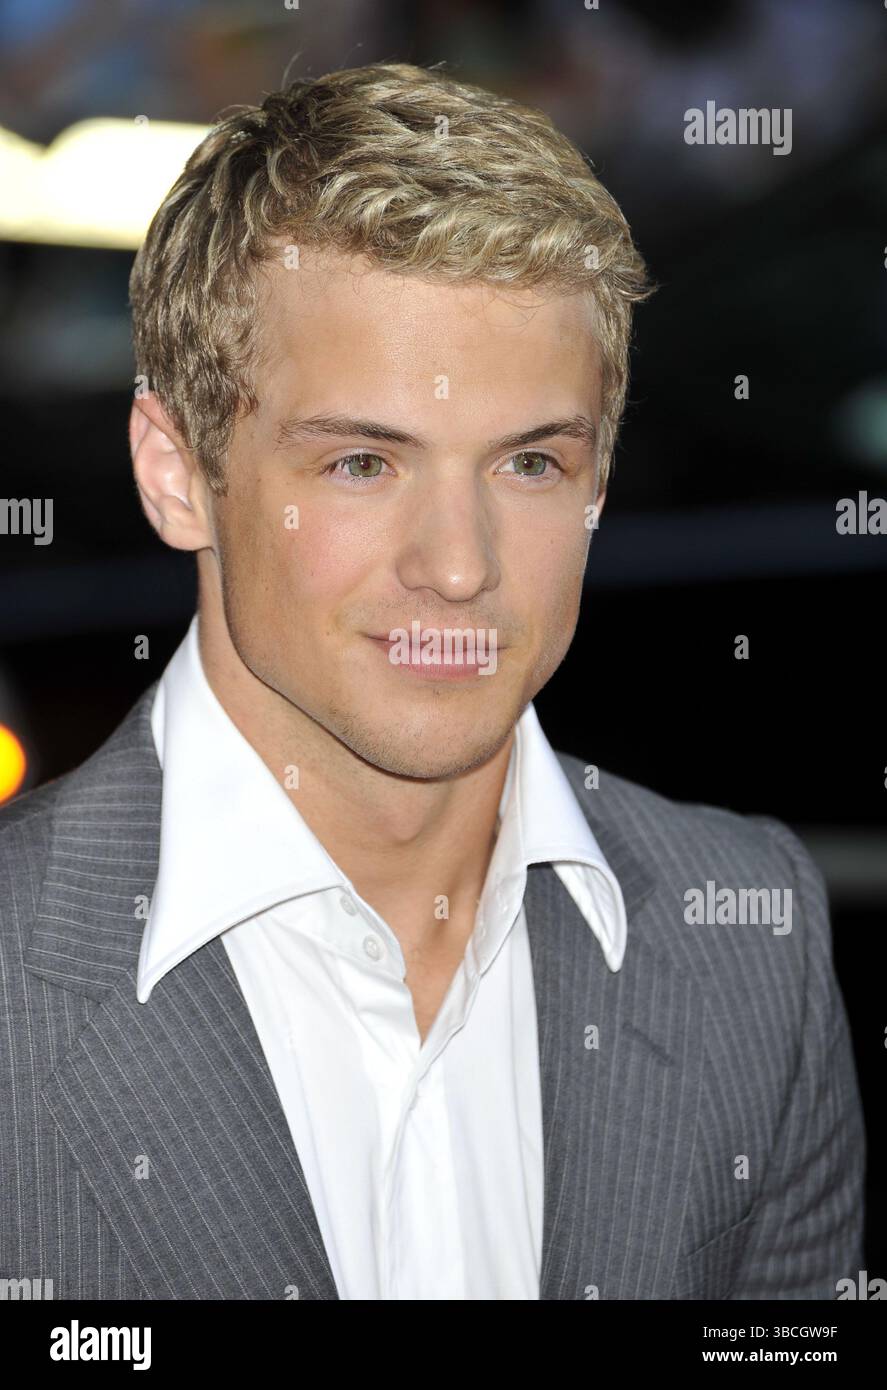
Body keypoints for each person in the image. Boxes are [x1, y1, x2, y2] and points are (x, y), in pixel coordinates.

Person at [0, 62, 864, 1301]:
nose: (458, 568)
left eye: (526, 464)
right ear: (178, 472)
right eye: (362, 462)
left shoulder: (748, 945)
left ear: (598, 481)